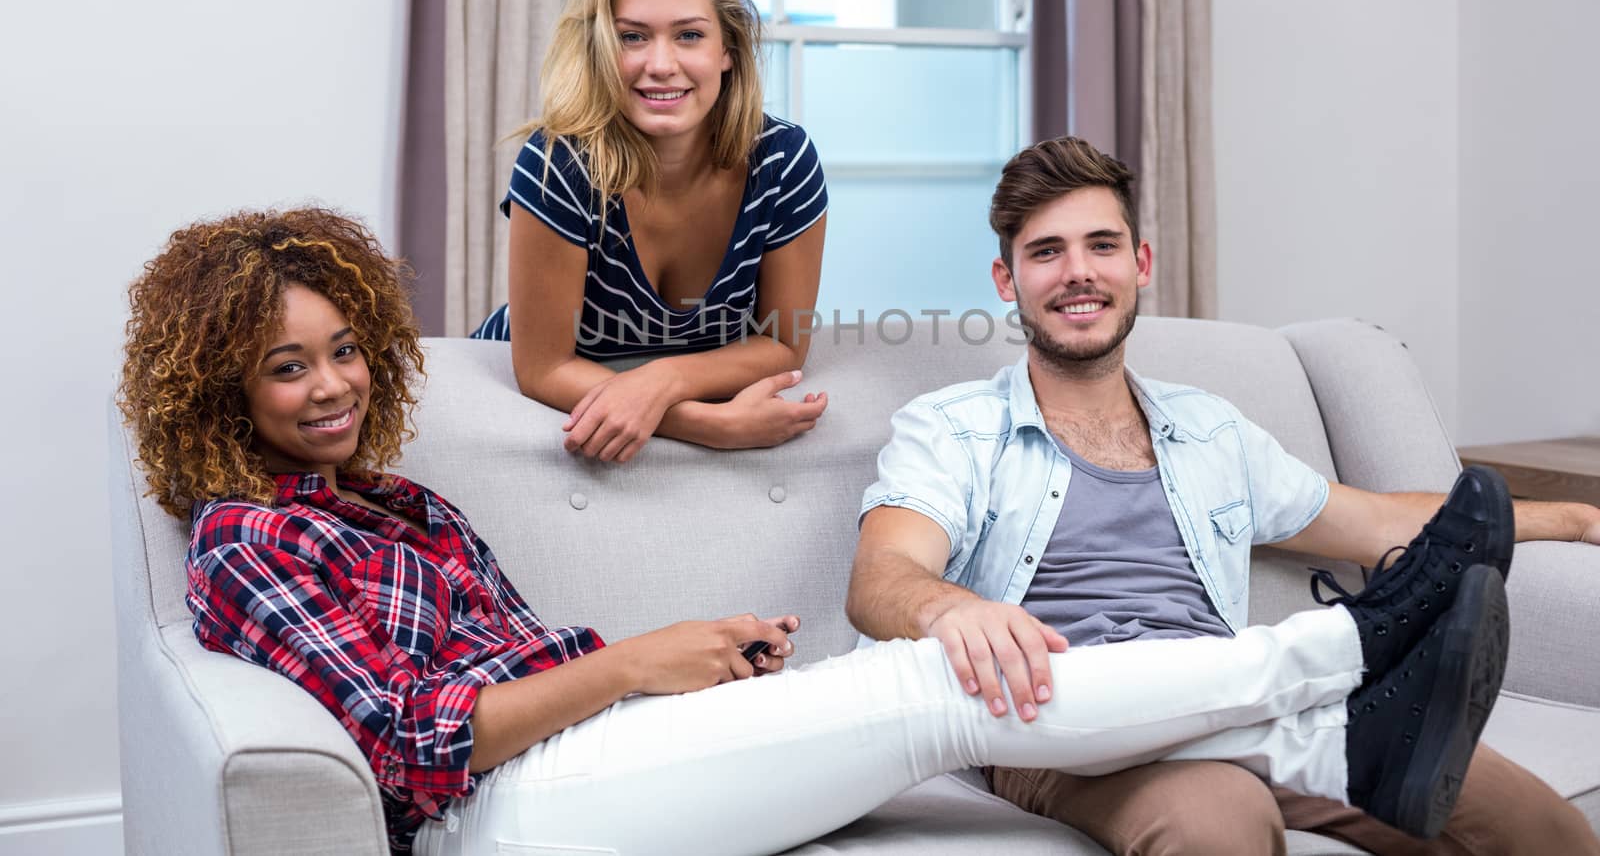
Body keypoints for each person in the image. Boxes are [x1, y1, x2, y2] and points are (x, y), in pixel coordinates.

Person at [120, 208, 1513, 855]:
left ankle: (1329, 732)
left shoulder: (405, 503)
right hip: (504, 813)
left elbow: (526, 665)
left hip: (590, 755)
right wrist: (634, 662)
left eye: (346, 349)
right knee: (925, 683)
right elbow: (415, 744)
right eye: (290, 365)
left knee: (916, 696)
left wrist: (693, 656)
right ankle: (1340, 651)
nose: (334, 384)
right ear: (224, 386)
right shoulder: (247, 540)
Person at [845, 137, 1600, 855]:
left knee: (1536, 822)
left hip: (1231, 697)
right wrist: (952, 608)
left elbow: (1378, 521)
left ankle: (1346, 666)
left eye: (1101, 245)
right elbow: (882, 576)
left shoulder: (1210, 431)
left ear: (1139, 263)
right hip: (1065, 722)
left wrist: (1575, 517)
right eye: (1047, 252)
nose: (1079, 272)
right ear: (1007, 281)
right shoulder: (953, 428)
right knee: (1219, 823)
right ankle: (1355, 646)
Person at [470, 0, 828, 463]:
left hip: (630, 399)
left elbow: (781, 345)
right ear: (600, 49)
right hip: (529, 410)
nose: (660, 65)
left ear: (727, 49)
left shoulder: (783, 161)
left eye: (689, 35)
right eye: (632, 37)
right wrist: (706, 426)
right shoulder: (557, 164)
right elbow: (543, 367)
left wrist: (661, 380)